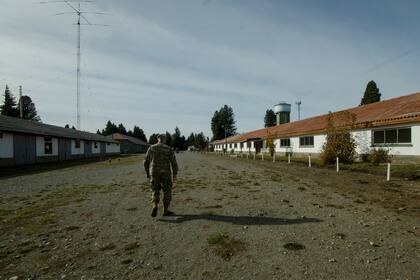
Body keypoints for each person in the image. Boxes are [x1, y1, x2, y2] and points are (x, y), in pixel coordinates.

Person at [144, 134, 178, 217]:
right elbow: (174, 163)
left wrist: (147, 173)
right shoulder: (169, 149)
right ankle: (165, 211)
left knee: (155, 189)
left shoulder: (151, 148)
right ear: (165, 139)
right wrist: (175, 174)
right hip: (166, 173)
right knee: (167, 191)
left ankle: (155, 205)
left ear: (158, 139)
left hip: (154, 172)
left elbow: (146, 162)